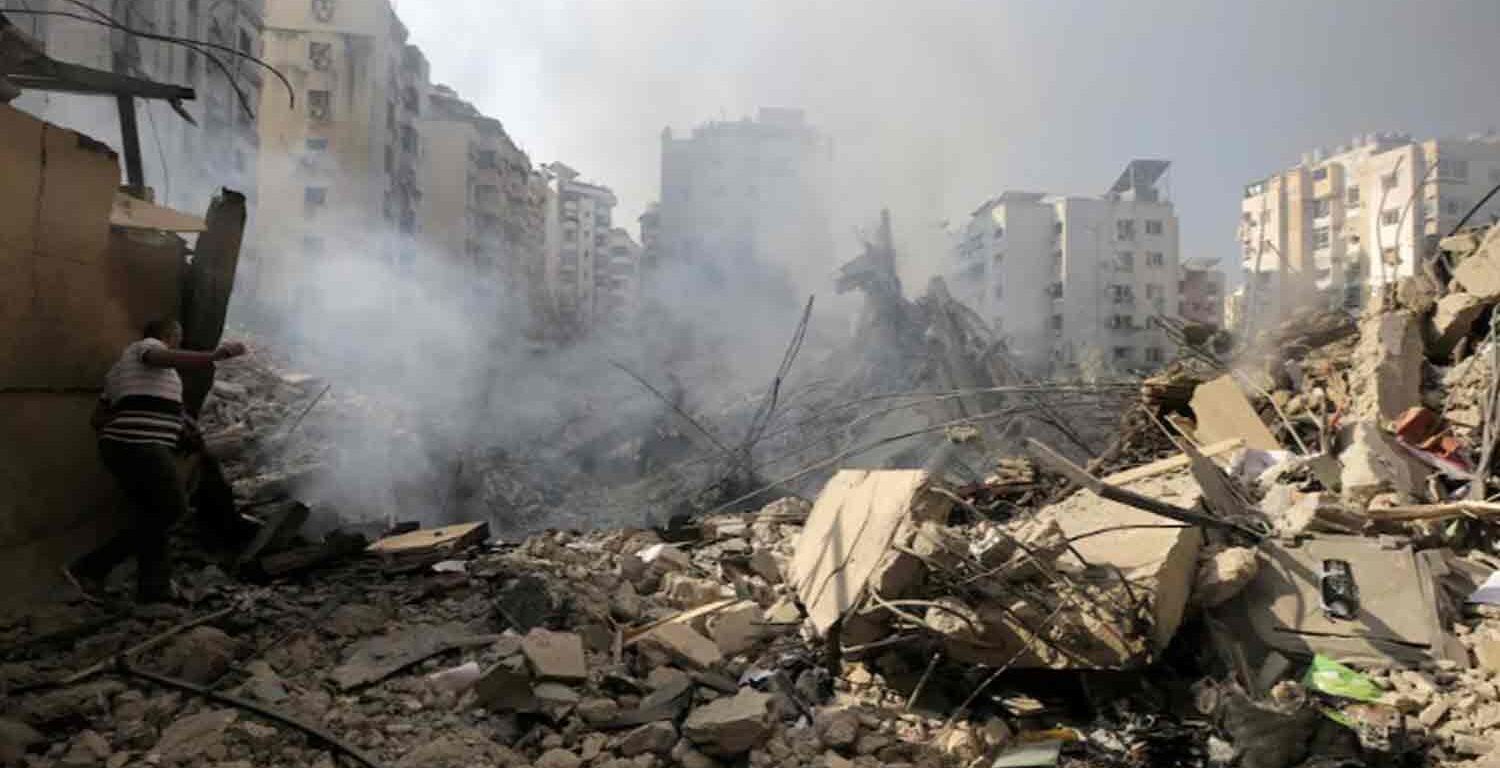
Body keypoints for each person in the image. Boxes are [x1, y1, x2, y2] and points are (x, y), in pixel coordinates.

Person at [65, 319, 248, 603]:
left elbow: (97, 419)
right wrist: (215, 356)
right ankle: (89, 568)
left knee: (153, 515)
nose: (179, 341)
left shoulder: (119, 373)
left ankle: (154, 589)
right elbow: (160, 357)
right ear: (169, 334)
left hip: (122, 447)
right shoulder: (145, 348)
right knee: (173, 509)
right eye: (179, 336)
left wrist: (165, 418)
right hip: (140, 446)